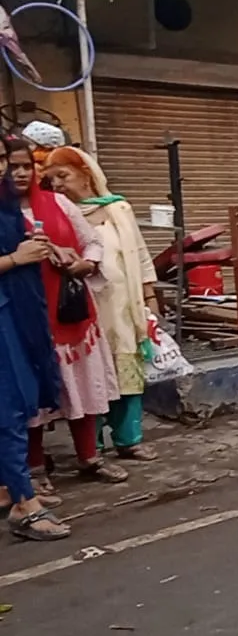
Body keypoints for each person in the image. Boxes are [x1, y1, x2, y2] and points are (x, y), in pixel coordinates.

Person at [5, 139, 127, 487]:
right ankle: (36, 470)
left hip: (70, 311)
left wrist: (84, 263)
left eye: (26, 166)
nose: (21, 173)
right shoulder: (3, 213)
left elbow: (92, 241)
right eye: (13, 166)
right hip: (24, 316)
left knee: (82, 387)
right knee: (32, 396)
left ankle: (89, 457)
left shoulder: (60, 203)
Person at [43, 146, 161, 462]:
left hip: (124, 308)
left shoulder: (118, 208)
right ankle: (91, 447)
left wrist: (150, 299)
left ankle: (129, 440)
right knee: (88, 377)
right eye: (51, 180)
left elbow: (140, 254)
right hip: (84, 309)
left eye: (63, 176)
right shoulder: (56, 215)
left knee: (128, 373)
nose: (57, 185)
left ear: (87, 174)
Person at [0, 141, 69, 541]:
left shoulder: (7, 202)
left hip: (16, 313)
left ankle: (12, 487)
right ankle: (25, 505)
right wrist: (15, 259)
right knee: (7, 410)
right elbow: (13, 255)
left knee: (16, 405)